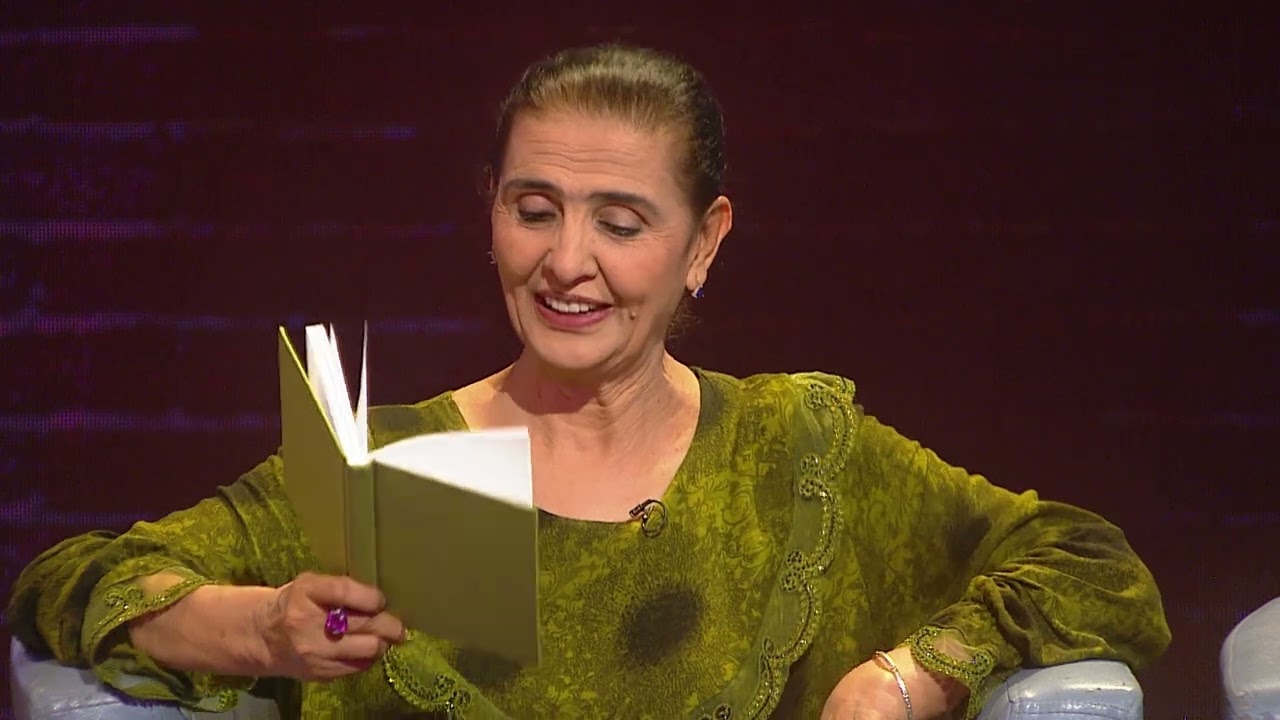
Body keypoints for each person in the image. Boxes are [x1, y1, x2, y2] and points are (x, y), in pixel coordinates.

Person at [7, 43, 1170, 719]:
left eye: (619, 222)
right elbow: (71, 583)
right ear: (490, 217)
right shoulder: (380, 468)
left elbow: (1089, 565)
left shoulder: (793, 449)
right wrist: (264, 629)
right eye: (534, 210)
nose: (567, 263)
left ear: (703, 242)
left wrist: (908, 676)